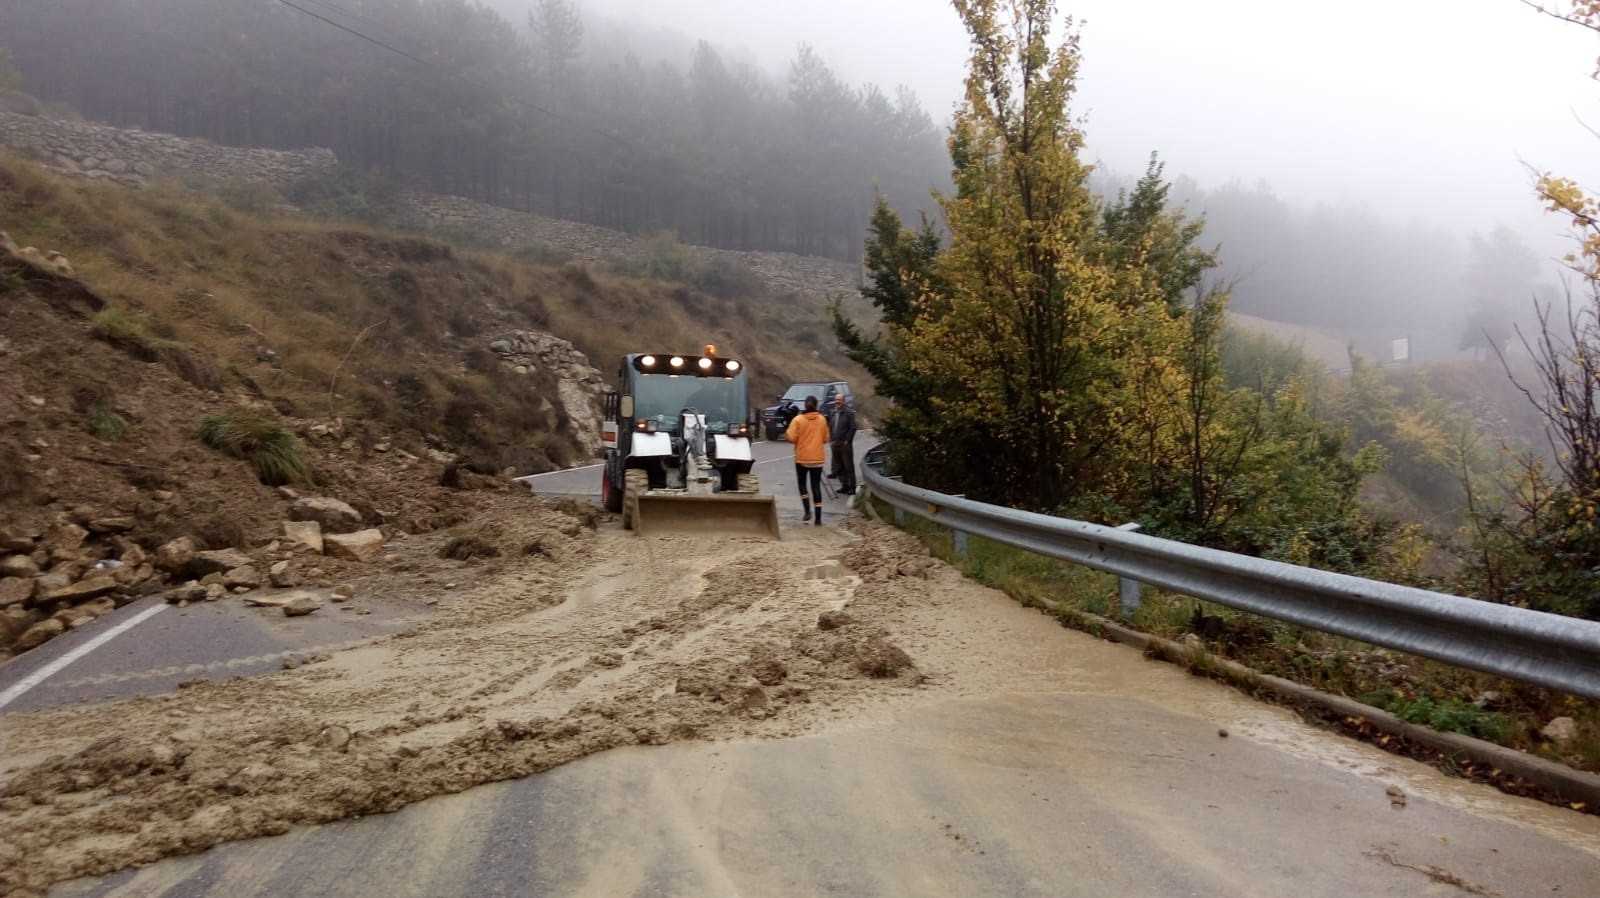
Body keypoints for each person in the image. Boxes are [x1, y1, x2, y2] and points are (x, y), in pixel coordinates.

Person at [785, 395, 830, 526]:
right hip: (817, 458)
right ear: (816, 405)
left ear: (805, 405)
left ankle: (807, 511)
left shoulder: (798, 420)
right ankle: (818, 518)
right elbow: (826, 438)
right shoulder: (822, 420)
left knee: (802, 484)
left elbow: (791, 438)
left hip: (802, 458)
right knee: (816, 486)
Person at [828, 393, 857, 494]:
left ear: (843, 401)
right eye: (836, 399)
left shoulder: (849, 413)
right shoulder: (833, 412)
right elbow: (830, 426)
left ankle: (852, 487)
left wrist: (847, 440)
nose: (837, 401)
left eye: (839, 400)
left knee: (848, 466)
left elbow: (853, 427)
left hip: (844, 445)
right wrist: (831, 439)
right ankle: (844, 485)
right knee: (839, 467)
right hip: (835, 443)